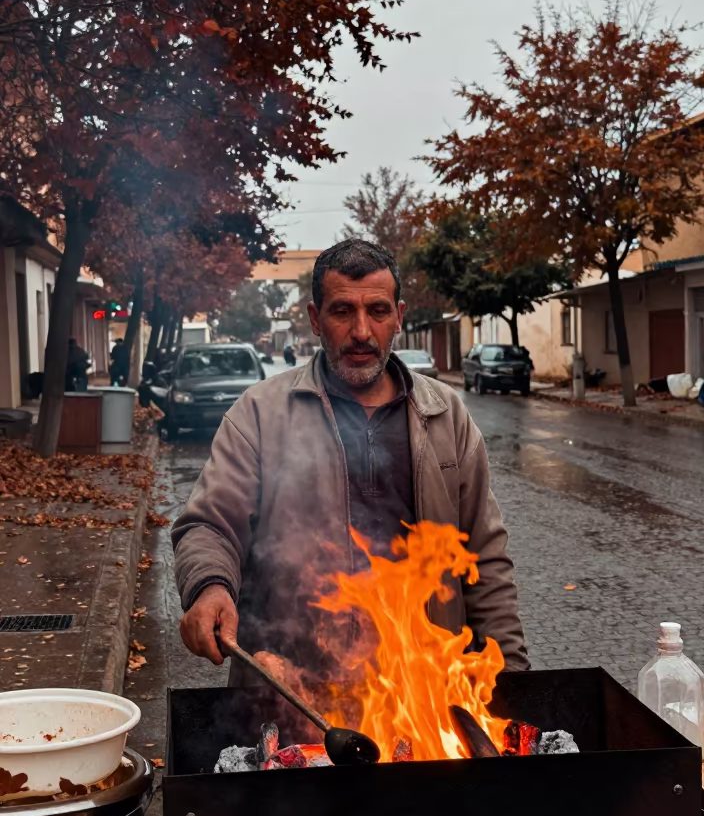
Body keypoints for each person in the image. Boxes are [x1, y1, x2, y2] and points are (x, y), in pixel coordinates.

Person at [173, 239, 528, 699]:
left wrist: (515, 679)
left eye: (378, 311)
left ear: (398, 316)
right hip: (293, 695)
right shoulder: (259, 414)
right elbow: (210, 525)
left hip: (424, 696)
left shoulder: (445, 415)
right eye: (343, 311)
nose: (362, 331)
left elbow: (485, 558)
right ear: (316, 319)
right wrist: (210, 586)